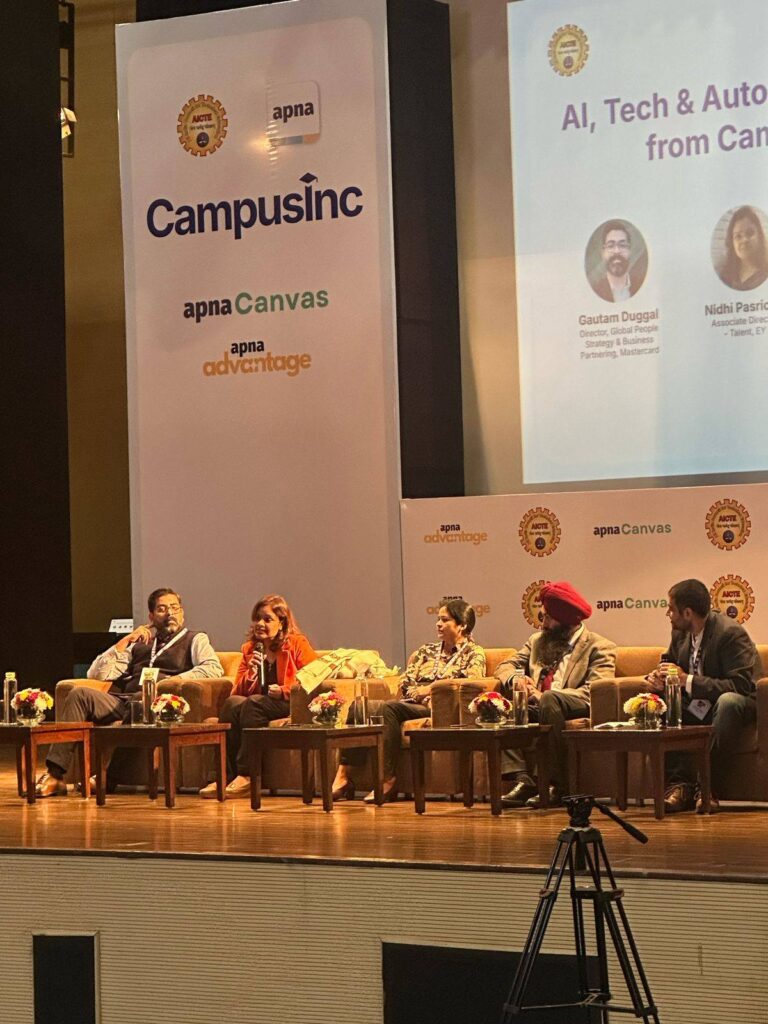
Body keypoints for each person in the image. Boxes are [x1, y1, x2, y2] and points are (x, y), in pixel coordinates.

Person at [36, 588, 223, 797]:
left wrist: (173, 681)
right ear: (151, 616)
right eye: (162, 609)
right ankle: (55, 775)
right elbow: (96, 673)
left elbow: (213, 668)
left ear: (182, 613)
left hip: (158, 704)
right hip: (124, 700)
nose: (170, 613)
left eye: (174, 608)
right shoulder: (140, 644)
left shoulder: (195, 639)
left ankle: (108, 778)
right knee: (78, 695)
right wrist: (124, 642)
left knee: (141, 701)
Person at [330, 599, 486, 803]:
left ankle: (388, 779)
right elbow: (406, 679)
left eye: (444, 620)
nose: (438, 624)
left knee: (389, 709)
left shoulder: (474, 653)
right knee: (359, 706)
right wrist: (416, 692)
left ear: (462, 625)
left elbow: (471, 680)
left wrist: (429, 690)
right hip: (413, 701)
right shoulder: (425, 651)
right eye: (438, 619)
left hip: (438, 707)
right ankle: (344, 775)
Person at [495, 582, 616, 808]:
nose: (543, 624)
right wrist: (516, 679)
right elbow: (505, 666)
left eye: (548, 618)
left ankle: (556, 784)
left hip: (574, 704)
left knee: (550, 698)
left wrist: (544, 696)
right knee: (499, 708)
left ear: (566, 621)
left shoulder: (599, 646)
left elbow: (595, 690)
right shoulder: (537, 641)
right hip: (538, 706)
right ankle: (523, 779)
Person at [646, 579, 760, 813]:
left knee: (728, 702)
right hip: (699, 704)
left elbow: (739, 685)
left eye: (671, 609)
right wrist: (658, 678)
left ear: (687, 613)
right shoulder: (680, 633)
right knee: (662, 702)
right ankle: (679, 786)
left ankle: (708, 787)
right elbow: (670, 663)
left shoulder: (730, 633)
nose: (668, 614)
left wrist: (686, 680)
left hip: (736, 705)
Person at [200, 594, 317, 798]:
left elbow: (313, 677)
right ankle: (223, 775)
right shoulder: (250, 649)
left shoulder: (297, 644)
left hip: (287, 703)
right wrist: (251, 673)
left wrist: (284, 690)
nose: (260, 624)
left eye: (267, 619)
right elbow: (237, 692)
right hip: (257, 705)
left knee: (253, 703)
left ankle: (248, 775)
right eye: (257, 619)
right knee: (231, 704)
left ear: (281, 623)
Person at [591, 220, 644, 302]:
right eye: (610, 246)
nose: (617, 251)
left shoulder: (641, 286)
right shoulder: (595, 291)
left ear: (629, 251)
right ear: (603, 253)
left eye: (622, 245)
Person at [717, 206, 768, 291]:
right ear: (732, 243)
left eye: (750, 233)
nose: (744, 240)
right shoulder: (726, 275)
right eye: (738, 236)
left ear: (760, 236)